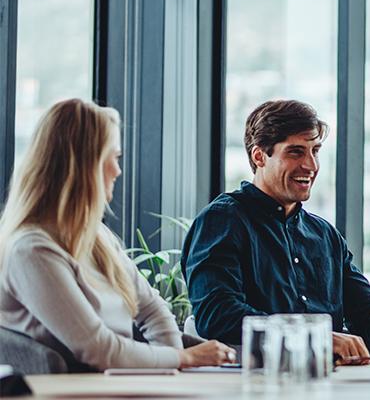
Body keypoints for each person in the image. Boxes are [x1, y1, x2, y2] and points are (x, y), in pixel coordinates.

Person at [0, 99, 235, 371]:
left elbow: (151, 308)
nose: (118, 170)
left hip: (116, 384)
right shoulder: (32, 251)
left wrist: (172, 363)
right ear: (85, 166)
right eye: (114, 157)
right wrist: (183, 358)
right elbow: (97, 349)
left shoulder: (97, 237)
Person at [182, 99, 370, 363]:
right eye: (295, 152)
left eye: (315, 151)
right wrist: (314, 336)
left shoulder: (324, 234)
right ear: (259, 156)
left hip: (329, 383)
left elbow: (365, 306)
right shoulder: (222, 220)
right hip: (253, 384)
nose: (311, 166)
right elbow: (218, 315)